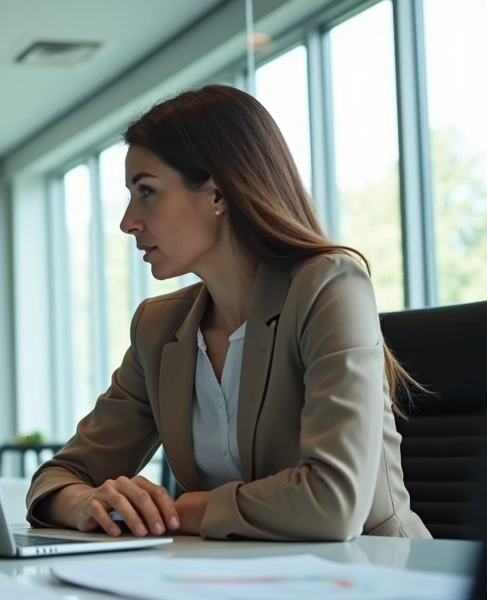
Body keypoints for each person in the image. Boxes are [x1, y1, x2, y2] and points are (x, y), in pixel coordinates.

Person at [27, 85, 431, 542]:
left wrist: (176, 511)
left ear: (218, 192)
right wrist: (87, 502)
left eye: (147, 192)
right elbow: (59, 476)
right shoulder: (159, 329)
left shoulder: (329, 288)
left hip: (380, 583)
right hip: (233, 586)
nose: (128, 221)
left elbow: (333, 504)